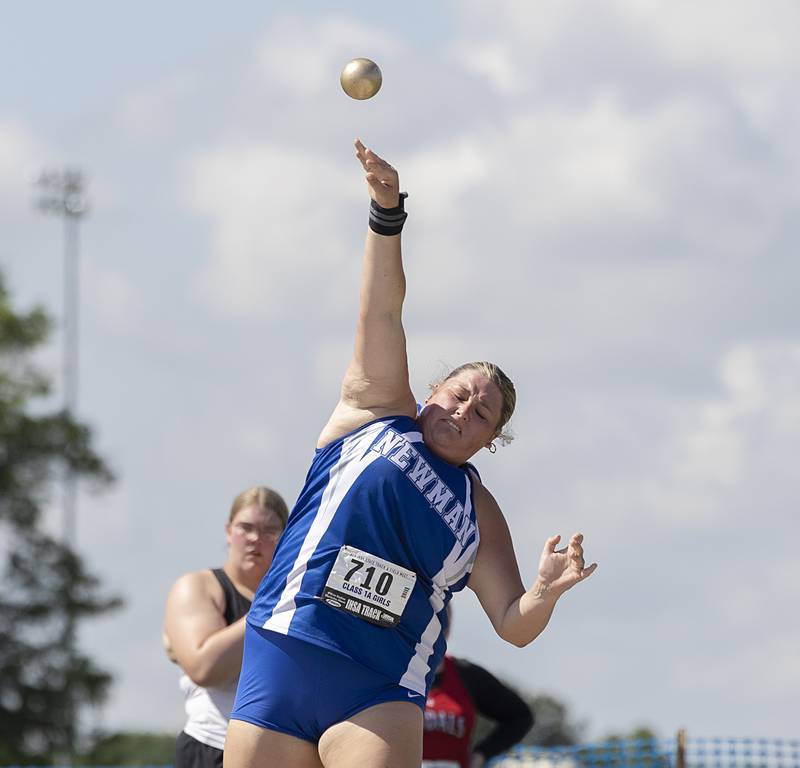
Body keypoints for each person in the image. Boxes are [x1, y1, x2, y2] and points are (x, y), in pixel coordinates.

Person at [225, 140, 597, 768]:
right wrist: (386, 214)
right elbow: (383, 312)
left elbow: (512, 622)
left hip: (376, 689)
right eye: (457, 395)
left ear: (490, 440)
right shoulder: (372, 412)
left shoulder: (476, 508)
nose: (462, 412)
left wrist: (546, 592)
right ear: (431, 391)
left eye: (481, 414)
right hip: (284, 653)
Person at [163, 486, 289, 768]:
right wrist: (275, 601)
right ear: (228, 531)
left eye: (270, 531)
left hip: (278, 753)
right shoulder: (199, 587)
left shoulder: (295, 599)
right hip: (212, 749)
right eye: (246, 528)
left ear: (286, 538)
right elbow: (205, 668)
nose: (256, 539)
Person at [423, 607, 533, 768]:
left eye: (442, 623)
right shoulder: (391, 672)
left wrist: (482, 754)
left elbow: (520, 717)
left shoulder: (466, 674)